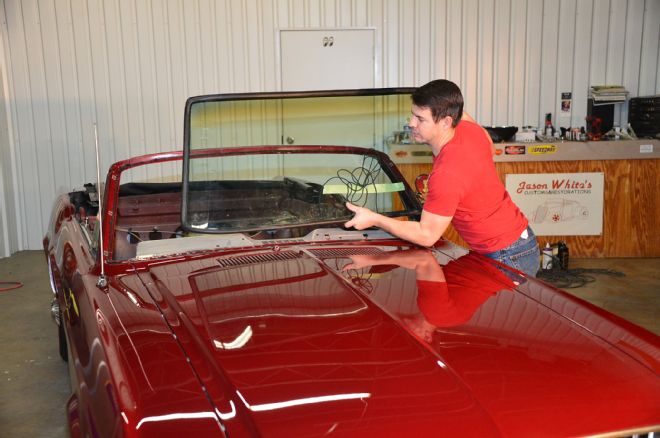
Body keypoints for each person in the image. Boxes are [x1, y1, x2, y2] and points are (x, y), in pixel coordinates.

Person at [344, 79, 539, 277]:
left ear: (446, 122)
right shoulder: (469, 130)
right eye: (412, 115)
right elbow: (486, 139)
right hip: (517, 240)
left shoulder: (447, 173)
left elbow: (426, 235)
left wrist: (374, 218)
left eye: (420, 119)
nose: (411, 123)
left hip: (507, 257)